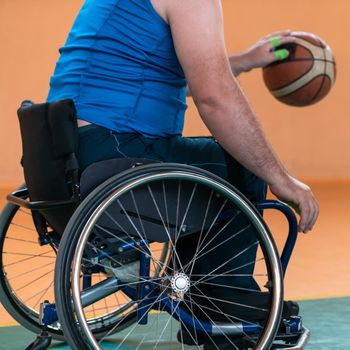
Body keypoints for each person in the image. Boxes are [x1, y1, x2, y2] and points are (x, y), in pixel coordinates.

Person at [47, 0, 319, 346]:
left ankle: (204, 298)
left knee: (212, 163)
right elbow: (213, 95)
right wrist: (281, 178)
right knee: (241, 166)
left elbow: (169, 75)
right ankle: (224, 308)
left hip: (71, 148)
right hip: (114, 148)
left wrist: (246, 61)